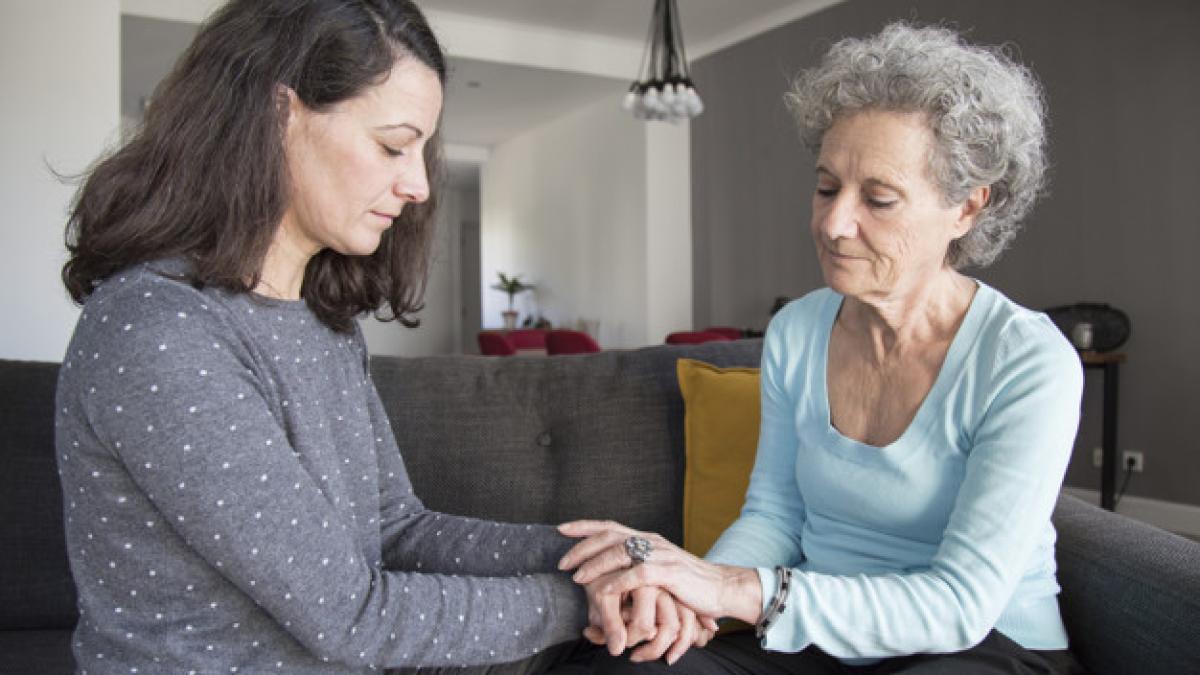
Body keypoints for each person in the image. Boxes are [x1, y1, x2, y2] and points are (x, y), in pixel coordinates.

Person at [55, 0, 710, 672]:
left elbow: (396, 530)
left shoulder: (322, 321)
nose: (419, 185)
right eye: (394, 145)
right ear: (279, 115)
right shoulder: (159, 331)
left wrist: (608, 558)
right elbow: (352, 617)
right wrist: (585, 600)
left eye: (422, 150)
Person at [560, 22, 1088, 675]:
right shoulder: (797, 331)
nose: (834, 224)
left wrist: (738, 591)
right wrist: (689, 595)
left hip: (981, 646)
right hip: (821, 628)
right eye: (827, 187)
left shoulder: (1026, 361)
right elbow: (775, 515)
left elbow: (960, 603)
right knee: (625, 664)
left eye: (879, 199)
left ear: (966, 209)